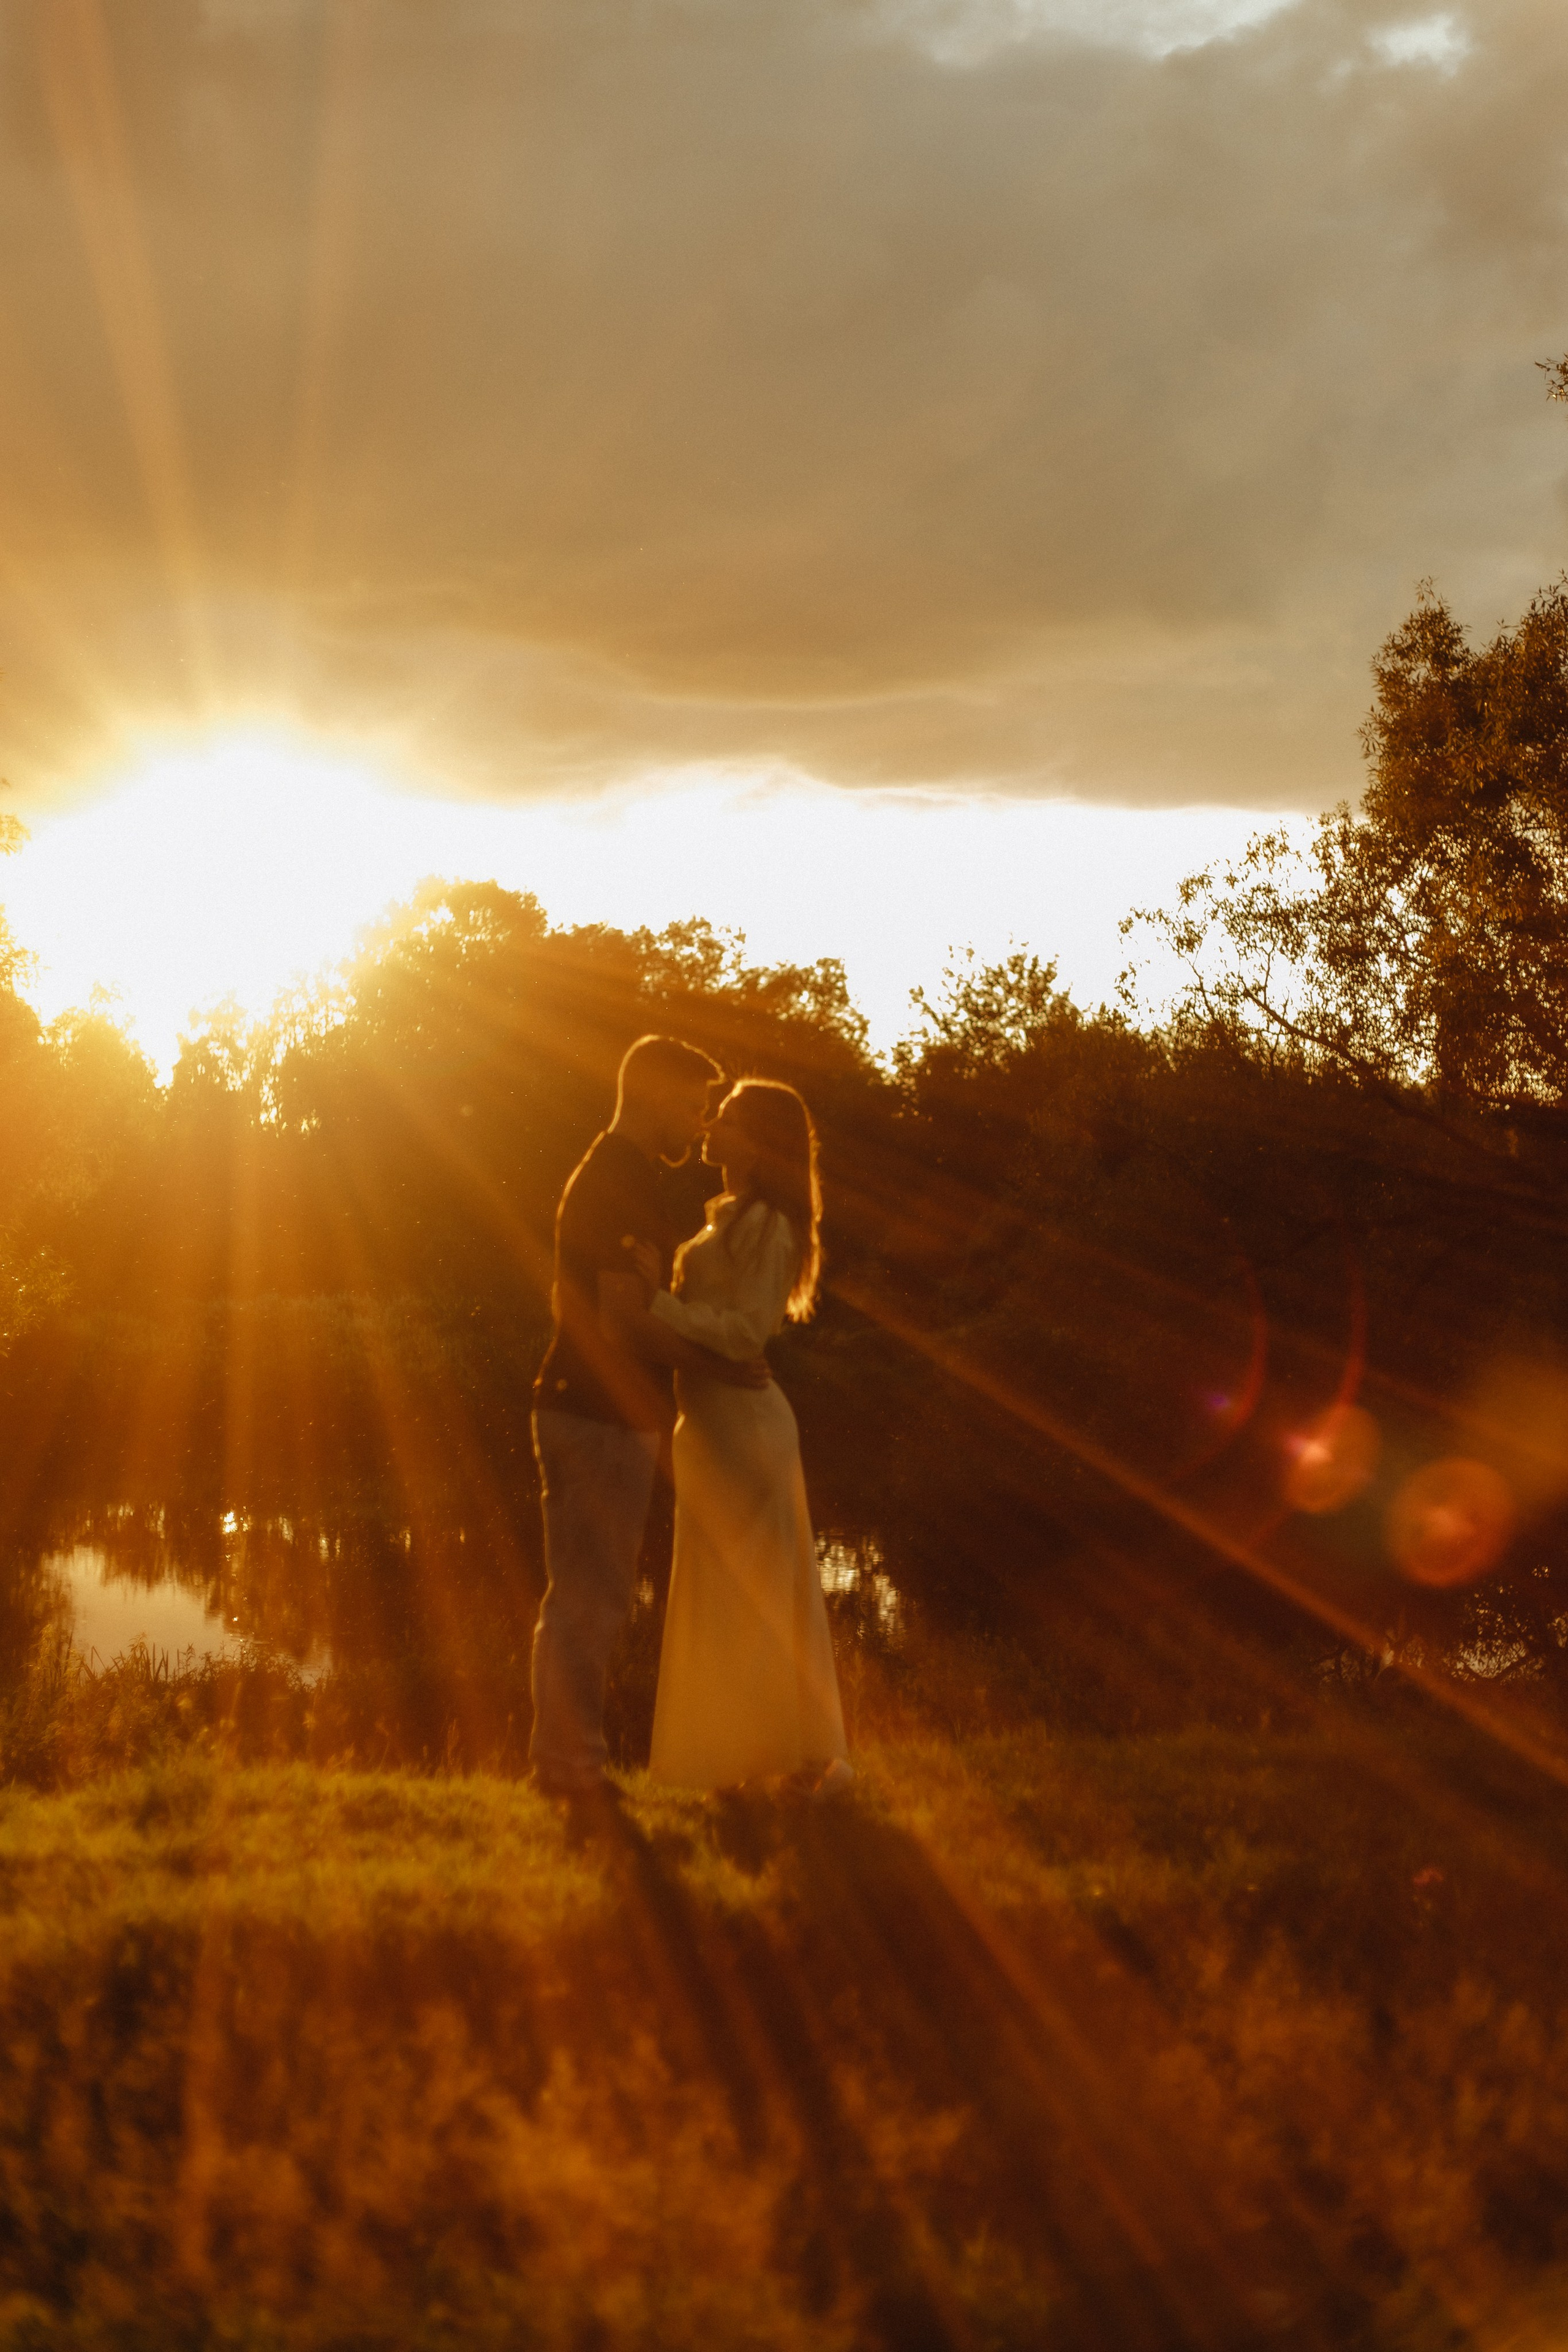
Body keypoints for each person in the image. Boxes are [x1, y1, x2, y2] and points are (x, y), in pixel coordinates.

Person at [529, 1035, 772, 1796]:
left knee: (583, 1595)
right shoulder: (620, 1178)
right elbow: (623, 1322)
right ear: (658, 1096)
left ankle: (563, 1764)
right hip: (597, 1415)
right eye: (695, 1108)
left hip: (589, 1410)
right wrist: (724, 1366)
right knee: (592, 1599)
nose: (701, 1125)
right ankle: (571, 1771)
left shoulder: (617, 1172)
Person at [612, 1079, 851, 1796]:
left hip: (747, 1430)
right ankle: (740, 1759)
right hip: (708, 1426)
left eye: (728, 1119)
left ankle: (790, 1758)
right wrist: (660, 1296)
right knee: (723, 1599)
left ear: (758, 1143)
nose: (710, 1124)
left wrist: (657, 1302)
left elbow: (746, 1333)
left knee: (755, 1601)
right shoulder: (724, 1221)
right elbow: (709, 1322)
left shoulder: (768, 1226)